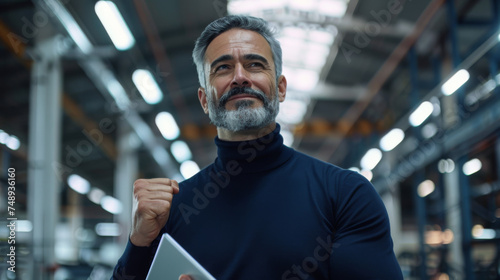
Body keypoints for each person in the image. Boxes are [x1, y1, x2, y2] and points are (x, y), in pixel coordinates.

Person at [112, 15, 403, 280]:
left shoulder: (345, 195)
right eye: (223, 67)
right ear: (204, 100)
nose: (240, 77)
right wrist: (138, 243)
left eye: (255, 64)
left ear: (280, 88)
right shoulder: (173, 208)